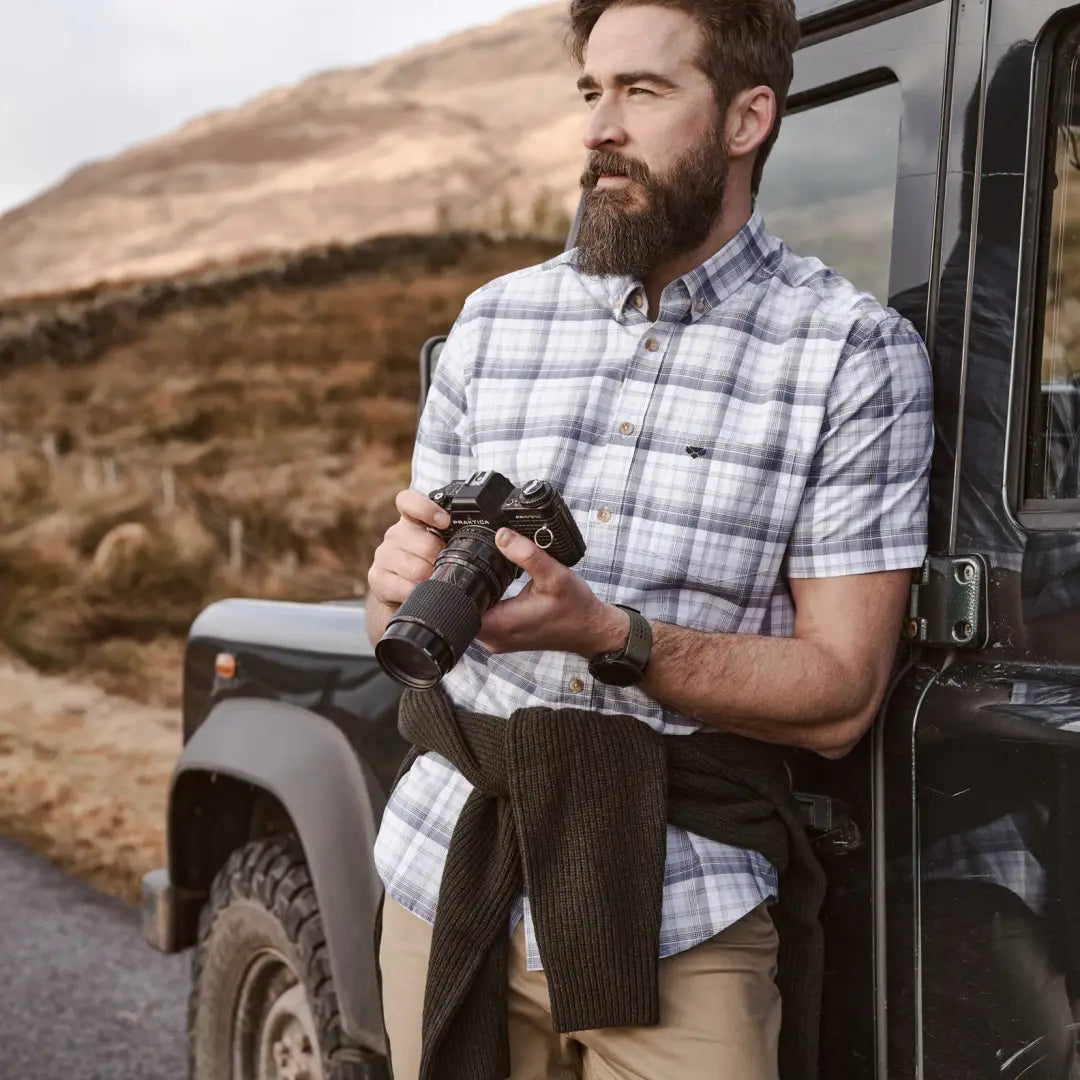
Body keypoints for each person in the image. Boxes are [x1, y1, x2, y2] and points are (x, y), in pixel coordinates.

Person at [365, 1, 933, 1077]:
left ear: (746, 117)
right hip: (450, 867)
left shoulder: (852, 354)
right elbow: (392, 619)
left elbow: (842, 697)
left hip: (687, 902)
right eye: (591, 90)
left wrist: (612, 636)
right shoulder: (493, 322)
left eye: (644, 90)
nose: (598, 127)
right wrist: (387, 581)